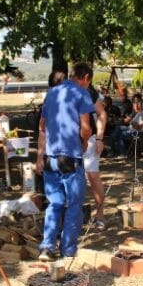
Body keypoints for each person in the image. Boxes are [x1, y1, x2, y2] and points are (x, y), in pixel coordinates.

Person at [35, 63, 93, 261]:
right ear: (85, 77)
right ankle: (68, 249)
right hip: (71, 158)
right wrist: (85, 142)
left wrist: (39, 156)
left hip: (50, 158)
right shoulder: (81, 93)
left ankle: (47, 247)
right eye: (88, 82)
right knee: (74, 204)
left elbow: (42, 126)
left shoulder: (51, 93)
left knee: (54, 203)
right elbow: (85, 127)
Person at [84, 85, 107, 231]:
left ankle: (100, 215)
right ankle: (75, 218)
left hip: (90, 138)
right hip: (70, 141)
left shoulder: (89, 91)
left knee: (93, 176)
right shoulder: (65, 90)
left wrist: (99, 138)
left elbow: (102, 114)